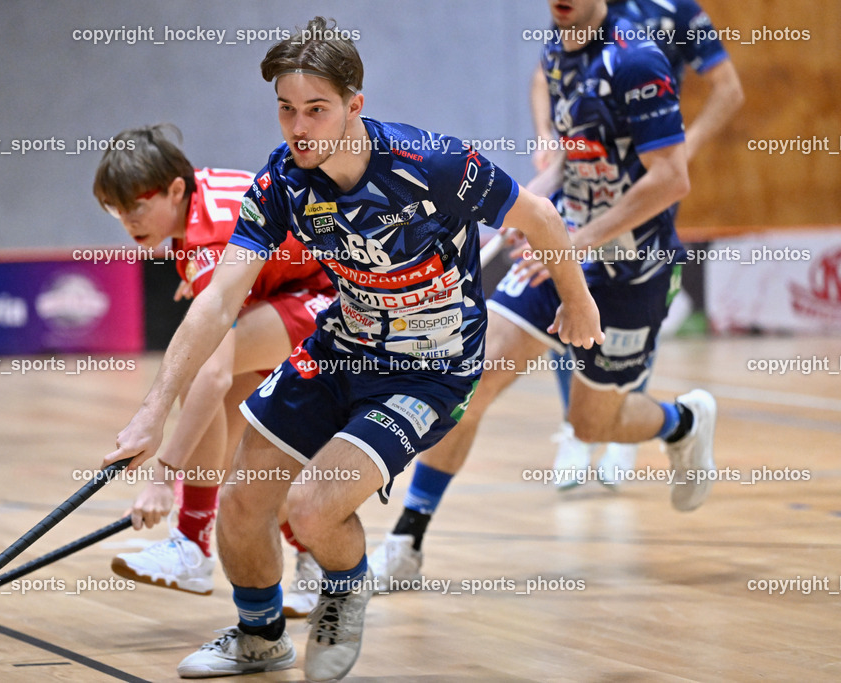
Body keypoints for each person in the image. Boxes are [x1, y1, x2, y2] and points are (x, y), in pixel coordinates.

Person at [101, 16, 602, 681]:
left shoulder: (434, 164)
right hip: (341, 345)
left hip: (430, 371)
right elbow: (218, 303)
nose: (299, 127)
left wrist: (578, 300)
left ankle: (343, 589)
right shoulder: (282, 183)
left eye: (316, 109)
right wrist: (151, 412)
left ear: (354, 105)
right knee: (243, 501)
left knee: (312, 506)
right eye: (286, 109)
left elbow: (539, 217)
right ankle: (259, 636)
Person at [370, 0, 720, 585]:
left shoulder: (637, 60)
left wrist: (577, 242)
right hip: (562, 250)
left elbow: (671, 177)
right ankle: (407, 540)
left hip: (631, 271)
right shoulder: (558, 51)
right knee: (472, 382)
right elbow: (571, 162)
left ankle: (681, 422)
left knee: (592, 425)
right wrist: (529, 208)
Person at [93, 123, 336, 616]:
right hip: (292, 290)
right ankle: (311, 560)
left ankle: (190, 544)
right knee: (240, 456)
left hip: (335, 297)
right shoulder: (197, 202)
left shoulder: (210, 236)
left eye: (136, 206)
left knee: (202, 366)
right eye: (116, 211)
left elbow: (213, 371)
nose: (128, 221)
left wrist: (163, 476)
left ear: (174, 189)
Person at [532, 0, 744, 488]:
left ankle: (621, 420)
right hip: (584, 180)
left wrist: (680, 151)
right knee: (565, 294)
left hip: (641, 186)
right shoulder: (577, 12)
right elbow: (545, 73)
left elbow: (729, 89)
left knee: (630, 293)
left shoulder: (675, 11)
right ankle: (577, 427)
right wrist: (547, 134)